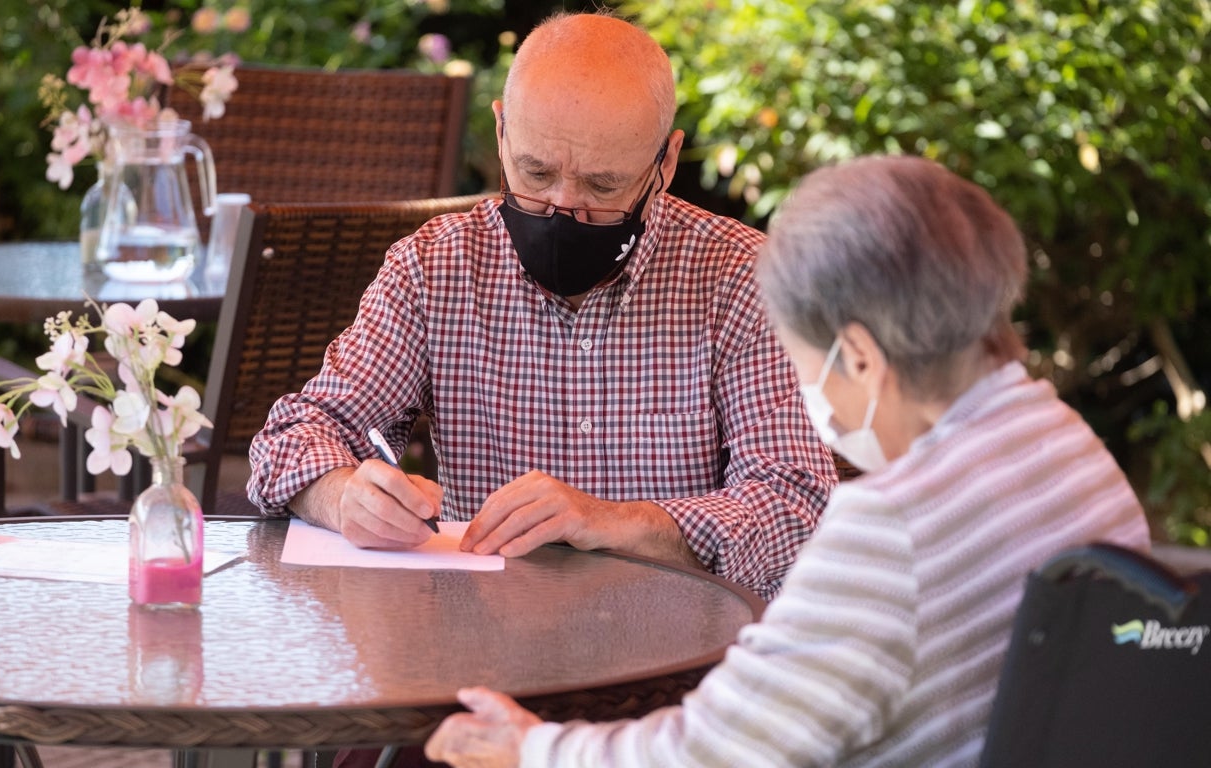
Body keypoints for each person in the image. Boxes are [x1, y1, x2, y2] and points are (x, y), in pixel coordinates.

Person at [421, 155, 1152, 767]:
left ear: (860, 358)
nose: (810, 398)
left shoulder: (890, 528)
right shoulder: (1070, 449)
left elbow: (716, 752)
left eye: (806, 368)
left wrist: (534, 749)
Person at [247, 9, 836, 603]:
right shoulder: (434, 269)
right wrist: (343, 494)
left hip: (686, 656)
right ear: (502, 132)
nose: (562, 208)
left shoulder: (742, 279)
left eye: (603, 185)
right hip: (481, 650)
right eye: (536, 172)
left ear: (666, 162)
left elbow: (796, 507)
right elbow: (291, 439)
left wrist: (612, 522)